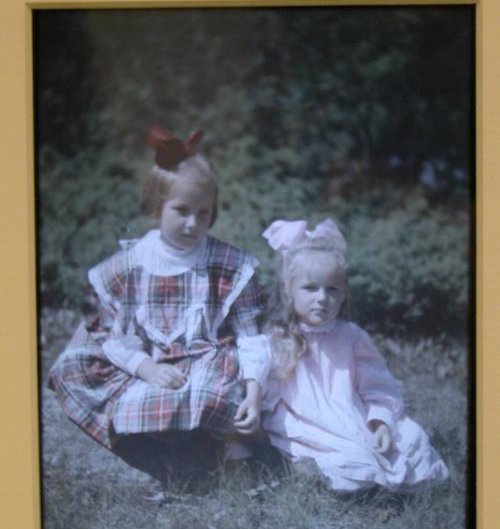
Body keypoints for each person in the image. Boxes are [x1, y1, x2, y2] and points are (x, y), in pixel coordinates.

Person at [49, 127, 266, 481]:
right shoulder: (129, 264)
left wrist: (254, 396)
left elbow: (251, 336)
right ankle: (154, 454)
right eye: (181, 210)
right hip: (145, 361)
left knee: (209, 392)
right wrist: (145, 367)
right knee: (71, 367)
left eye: (204, 212)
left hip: (202, 361)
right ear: (156, 205)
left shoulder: (228, 264)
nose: (193, 223)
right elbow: (107, 334)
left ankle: (202, 451)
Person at [259, 218, 449, 491]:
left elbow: (377, 385)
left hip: (352, 413)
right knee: (350, 460)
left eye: (332, 289)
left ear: (344, 293)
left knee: (411, 438)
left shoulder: (351, 336)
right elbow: (268, 393)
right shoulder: (276, 337)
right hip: (306, 420)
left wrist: (380, 420)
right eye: (310, 288)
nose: (322, 298)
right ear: (288, 290)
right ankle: (313, 469)